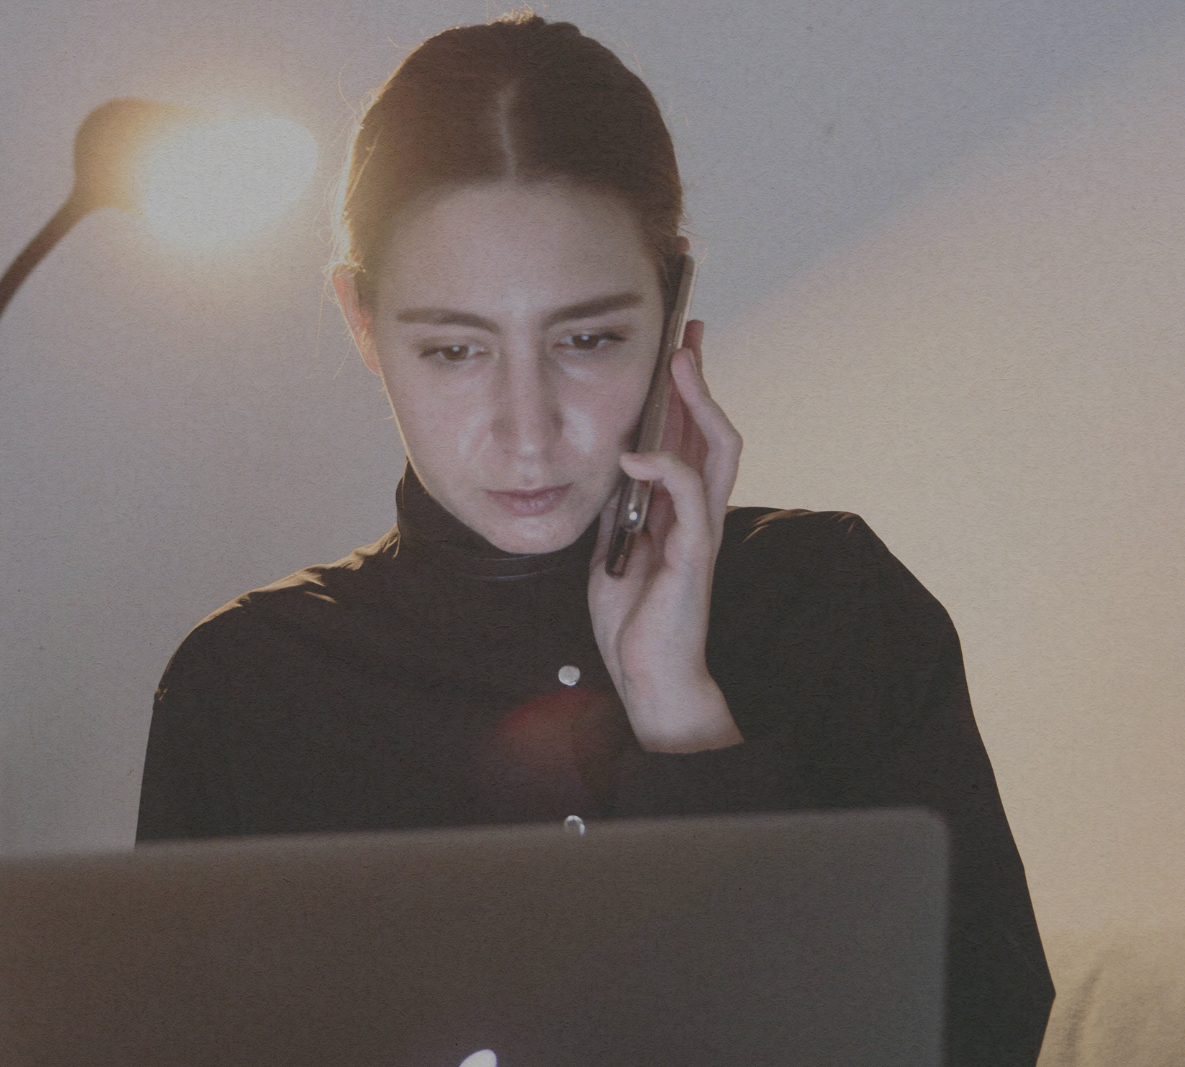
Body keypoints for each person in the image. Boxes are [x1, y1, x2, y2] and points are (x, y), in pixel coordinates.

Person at [137, 13, 1053, 1065]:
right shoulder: (248, 684)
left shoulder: (838, 606)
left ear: (671, 309)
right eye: (451, 349)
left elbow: (971, 1040)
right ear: (359, 320)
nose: (527, 429)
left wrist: (682, 719)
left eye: (586, 339)